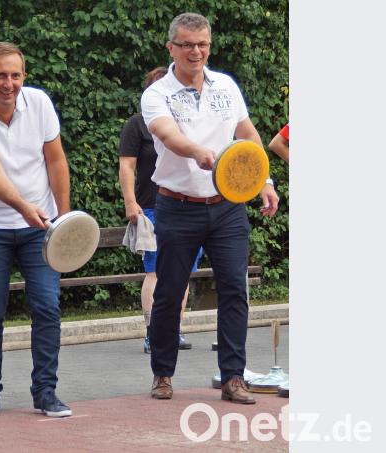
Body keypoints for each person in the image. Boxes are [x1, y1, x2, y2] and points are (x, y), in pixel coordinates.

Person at [140, 13, 279, 404]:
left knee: (235, 289)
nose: (195, 51)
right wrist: (198, 151)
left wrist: (265, 181)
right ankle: (163, 374)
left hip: (228, 207)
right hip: (177, 206)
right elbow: (167, 134)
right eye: (186, 44)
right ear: (171, 48)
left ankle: (233, 377)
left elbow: (247, 135)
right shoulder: (157, 94)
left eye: (202, 44)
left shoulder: (226, 86)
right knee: (169, 292)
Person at [0, 42, 73, 418]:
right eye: (1, 75)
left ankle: (46, 392)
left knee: (48, 307)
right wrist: (24, 207)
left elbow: (56, 161)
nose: (9, 83)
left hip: (41, 227)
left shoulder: (38, 103)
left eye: (16, 75)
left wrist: (64, 220)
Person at [119, 66, 203, 354]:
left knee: (183, 273)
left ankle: (174, 331)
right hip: (152, 208)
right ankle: (152, 332)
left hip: (189, 205)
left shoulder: (191, 121)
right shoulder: (137, 124)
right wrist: (131, 202)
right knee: (155, 271)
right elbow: (127, 166)